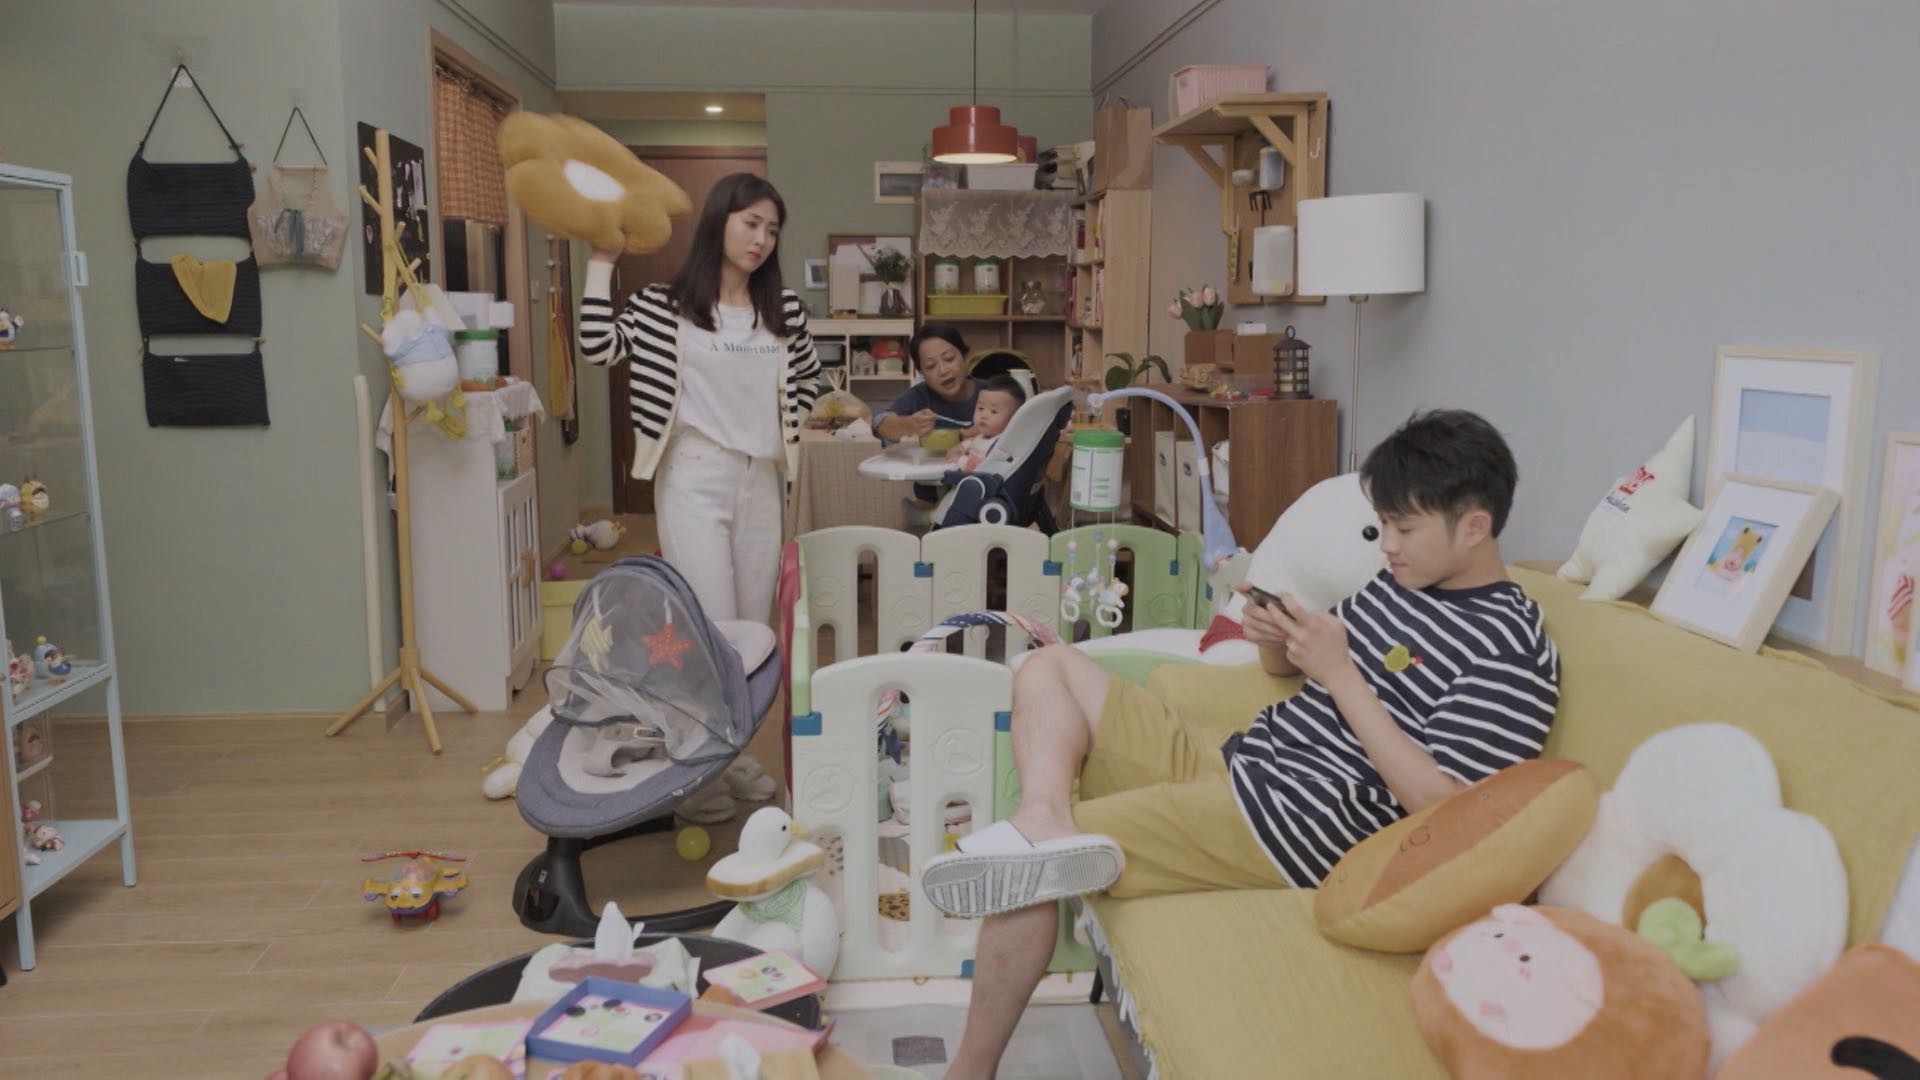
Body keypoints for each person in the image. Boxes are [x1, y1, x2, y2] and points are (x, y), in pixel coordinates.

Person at [920, 409, 1563, 1080]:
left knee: (1033, 862)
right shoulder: (1401, 582)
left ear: (1474, 527)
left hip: (1306, 818)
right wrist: (1276, 639)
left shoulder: (1510, 649)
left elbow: (1447, 808)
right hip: (1243, 759)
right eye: (1383, 528)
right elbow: (1289, 675)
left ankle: (969, 1069)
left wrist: (1342, 675)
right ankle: (1043, 813)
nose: (1388, 547)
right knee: (1050, 667)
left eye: (1404, 529)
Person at [577, 173, 819, 626]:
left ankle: (749, 681)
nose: (761, 240)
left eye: (771, 230)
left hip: (762, 480)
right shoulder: (661, 306)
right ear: (718, 222)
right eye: (751, 223)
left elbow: (810, 377)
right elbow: (598, 346)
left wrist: (789, 423)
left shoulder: (784, 309)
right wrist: (601, 262)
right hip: (694, 475)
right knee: (713, 624)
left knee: (754, 626)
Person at [873, 323, 978, 442]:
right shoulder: (920, 396)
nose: (943, 371)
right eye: (931, 366)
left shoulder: (990, 391)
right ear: (921, 373)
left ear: (965, 356)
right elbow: (878, 423)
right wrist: (907, 425)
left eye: (949, 359)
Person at [946, 375, 1025, 472]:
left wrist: (959, 460)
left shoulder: (1001, 445)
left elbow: (983, 468)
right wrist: (957, 450)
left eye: (993, 411)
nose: (983, 415)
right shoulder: (979, 437)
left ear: (1014, 418)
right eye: (980, 408)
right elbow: (955, 450)